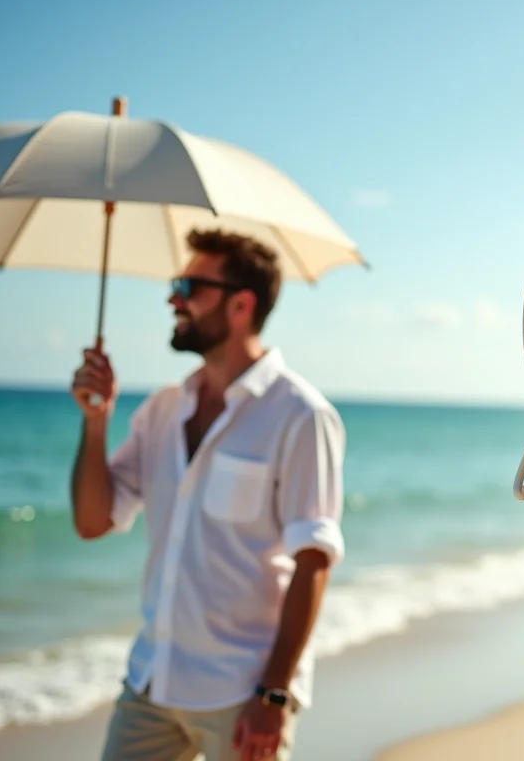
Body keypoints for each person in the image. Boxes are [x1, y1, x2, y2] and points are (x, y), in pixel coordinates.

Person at [69, 229, 346, 761]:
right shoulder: (162, 410)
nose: (174, 298)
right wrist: (96, 423)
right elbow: (91, 522)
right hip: (153, 681)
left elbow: (313, 561)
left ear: (241, 304)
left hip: (242, 694)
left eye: (190, 286)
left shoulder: (301, 416)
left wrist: (274, 693)